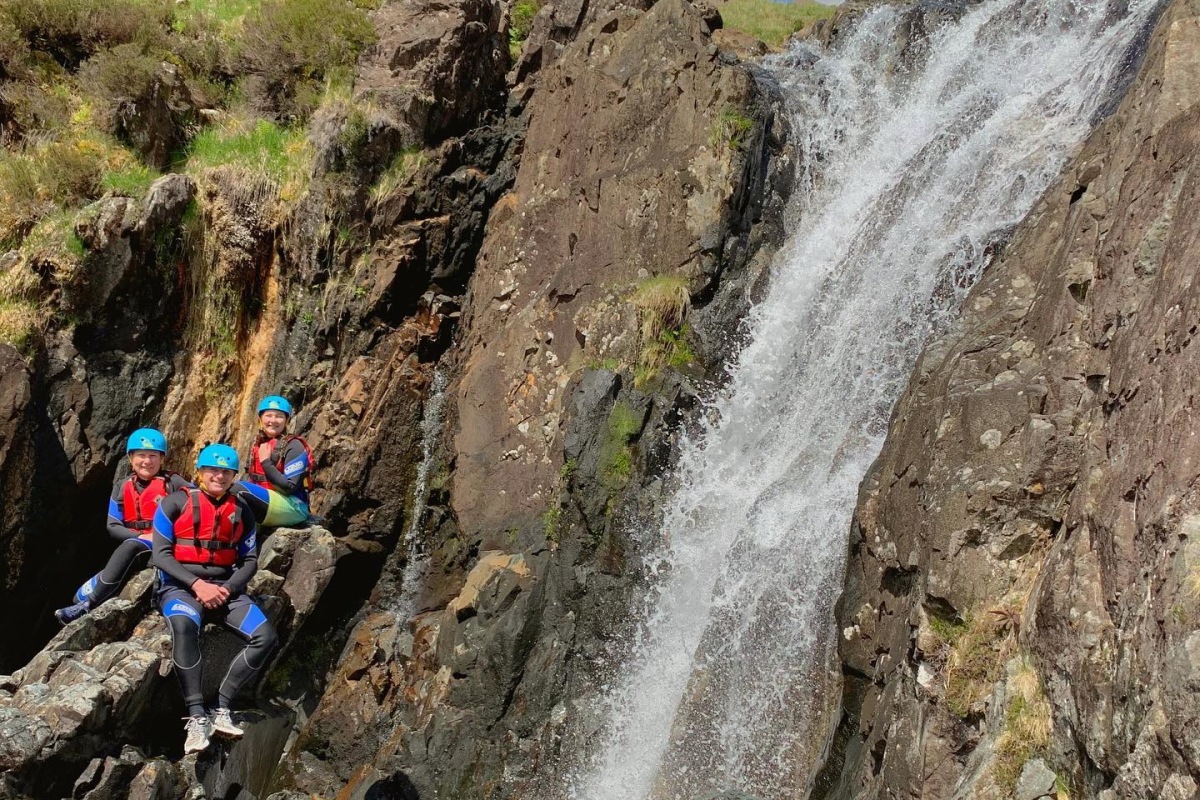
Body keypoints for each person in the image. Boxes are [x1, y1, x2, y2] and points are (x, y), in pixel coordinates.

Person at [152, 443, 277, 755]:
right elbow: (161, 555)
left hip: (225, 586)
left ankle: (220, 707)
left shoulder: (242, 510)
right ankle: (195, 717)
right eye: (213, 470)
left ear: (234, 476)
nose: (219, 476)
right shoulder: (173, 503)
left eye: (226, 471)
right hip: (179, 587)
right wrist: (197, 584)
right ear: (201, 472)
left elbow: (249, 560)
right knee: (183, 627)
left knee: (265, 636)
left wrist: (228, 589)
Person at [54, 428, 190, 625]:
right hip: (141, 542)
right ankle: (82, 603)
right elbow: (113, 526)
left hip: (166, 545)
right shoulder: (122, 486)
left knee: (131, 547)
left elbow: (198, 508)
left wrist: (161, 536)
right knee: (78, 596)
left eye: (153, 456)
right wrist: (141, 536)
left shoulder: (174, 483)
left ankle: (88, 606)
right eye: (141, 455)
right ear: (131, 457)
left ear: (162, 459)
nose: (147, 461)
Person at [235, 395, 314, 527]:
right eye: (268, 415)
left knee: (237, 488)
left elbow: (289, 488)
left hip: (293, 506)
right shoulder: (257, 443)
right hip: (267, 502)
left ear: (286, 420)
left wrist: (266, 462)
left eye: (279, 416)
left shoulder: (294, 445)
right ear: (260, 419)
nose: (273, 420)